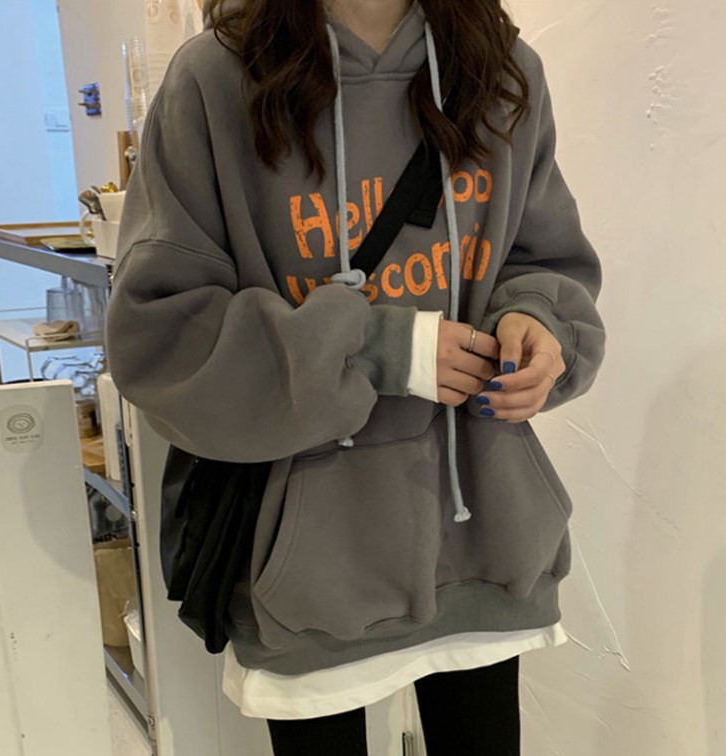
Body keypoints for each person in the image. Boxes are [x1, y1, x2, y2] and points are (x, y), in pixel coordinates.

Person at [105, 0, 606, 752]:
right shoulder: (216, 78)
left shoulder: (500, 71)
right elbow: (162, 336)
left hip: (482, 539)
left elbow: (545, 259)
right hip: (310, 564)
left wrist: (537, 319)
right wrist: (377, 347)